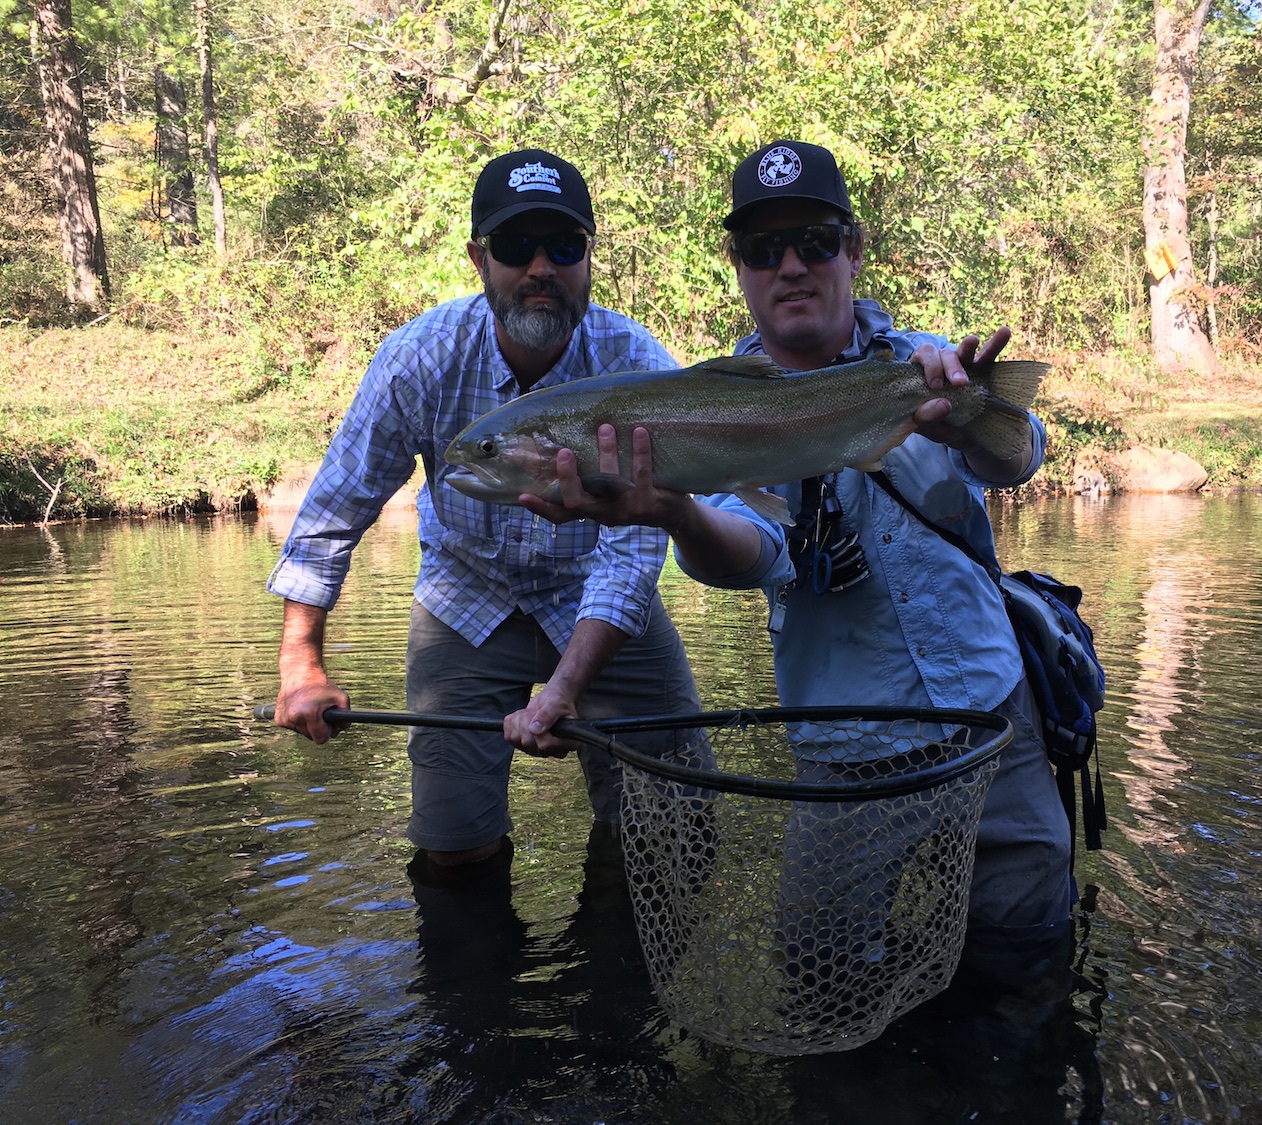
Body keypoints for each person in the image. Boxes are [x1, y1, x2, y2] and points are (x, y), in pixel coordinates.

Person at [519, 139, 1075, 961]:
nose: (791, 266)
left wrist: (968, 420)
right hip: (844, 750)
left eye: (815, 241)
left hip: (993, 719)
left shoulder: (923, 364)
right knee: (819, 968)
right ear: (739, 266)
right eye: (763, 247)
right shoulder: (705, 406)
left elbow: (1019, 458)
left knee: (1027, 951)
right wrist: (675, 514)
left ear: (853, 250)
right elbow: (753, 554)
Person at [267, 148, 701, 871]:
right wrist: (300, 663)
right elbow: (337, 507)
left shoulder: (637, 365)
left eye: (563, 246)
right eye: (514, 245)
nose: (540, 268)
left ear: (589, 257)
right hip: (463, 597)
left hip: (598, 595)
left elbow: (632, 550)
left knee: (673, 832)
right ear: (479, 258)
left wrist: (566, 687)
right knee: (454, 852)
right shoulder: (420, 359)